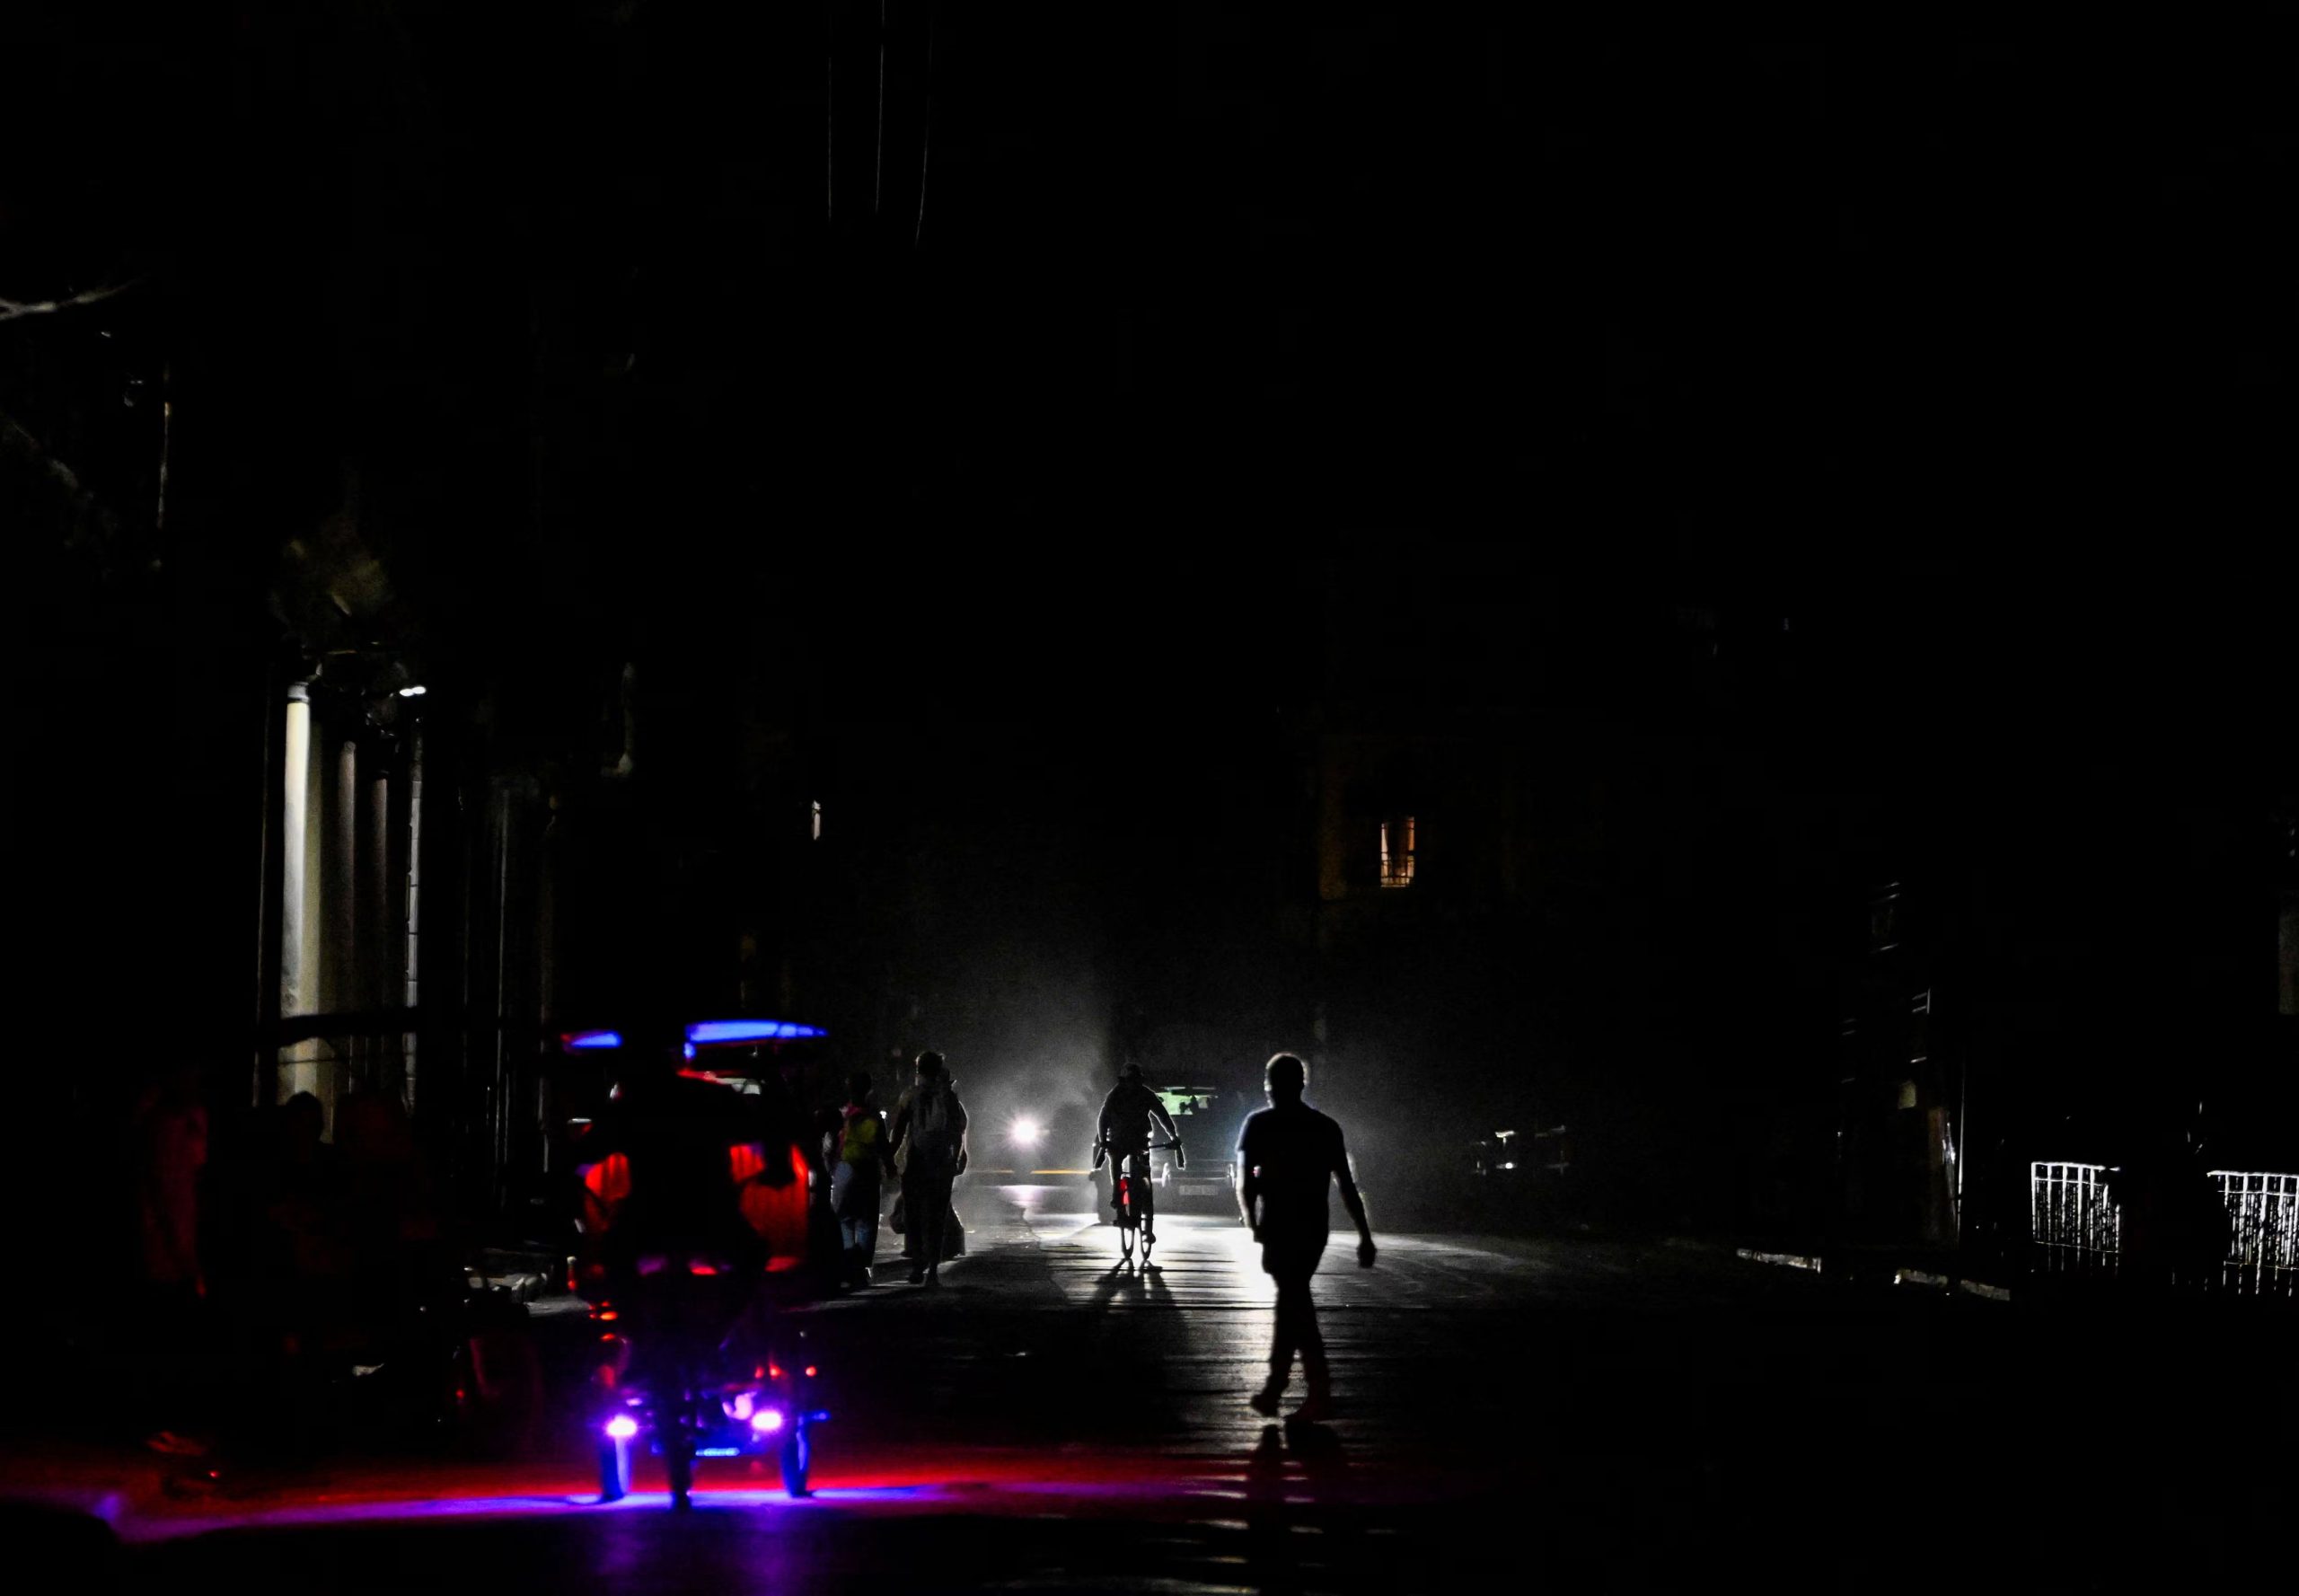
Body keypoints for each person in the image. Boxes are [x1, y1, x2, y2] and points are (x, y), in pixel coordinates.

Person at [1236, 1053, 1374, 1424]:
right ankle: (1278, 1388)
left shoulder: (1258, 1125)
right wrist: (1364, 1235)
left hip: (1278, 1225)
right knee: (1293, 1298)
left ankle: (1314, 1388)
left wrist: (1254, 1225)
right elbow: (1346, 1184)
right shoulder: (1325, 1127)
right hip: (1313, 1227)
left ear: (1269, 1085)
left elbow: (1247, 1183)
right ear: (1301, 1084)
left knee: (1295, 1301)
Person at [889, 1050, 968, 1286]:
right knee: (936, 1218)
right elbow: (958, 1129)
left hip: (915, 1163)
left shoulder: (910, 1095)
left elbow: (898, 1130)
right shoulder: (948, 1097)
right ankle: (932, 1272)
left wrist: (889, 1159)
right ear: (939, 1070)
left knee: (913, 1216)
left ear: (918, 1070)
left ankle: (916, 1266)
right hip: (941, 1165)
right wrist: (959, 1156)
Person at [1095, 1061, 1185, 1239]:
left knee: (1145, 1175)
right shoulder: (1115, 1095)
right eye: (1131, 1080)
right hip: (1118, 1138)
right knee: (1116, 1162)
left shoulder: (1146, 1095)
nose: (1134, 1084)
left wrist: (1173, 1135)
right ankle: (1118, 1199)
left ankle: (1146, 1222)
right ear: (1124, 1081)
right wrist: (1104, 1141)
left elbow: (1162, 1116)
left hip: (1140, 1139)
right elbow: (1103, 1118)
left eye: (1136, 1081)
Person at [829, 1071, 897, 1287]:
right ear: (869, 1089)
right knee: (867, 1221)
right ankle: (862, 1268)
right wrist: (890, 1167)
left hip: (845, 1170)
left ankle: (849, 1264)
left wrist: (832, 1167)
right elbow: (883, 1146)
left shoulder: (843, 1114)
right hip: (868, 1170)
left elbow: (832, 1145)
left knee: (845, 1219)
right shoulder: (874, 1116)